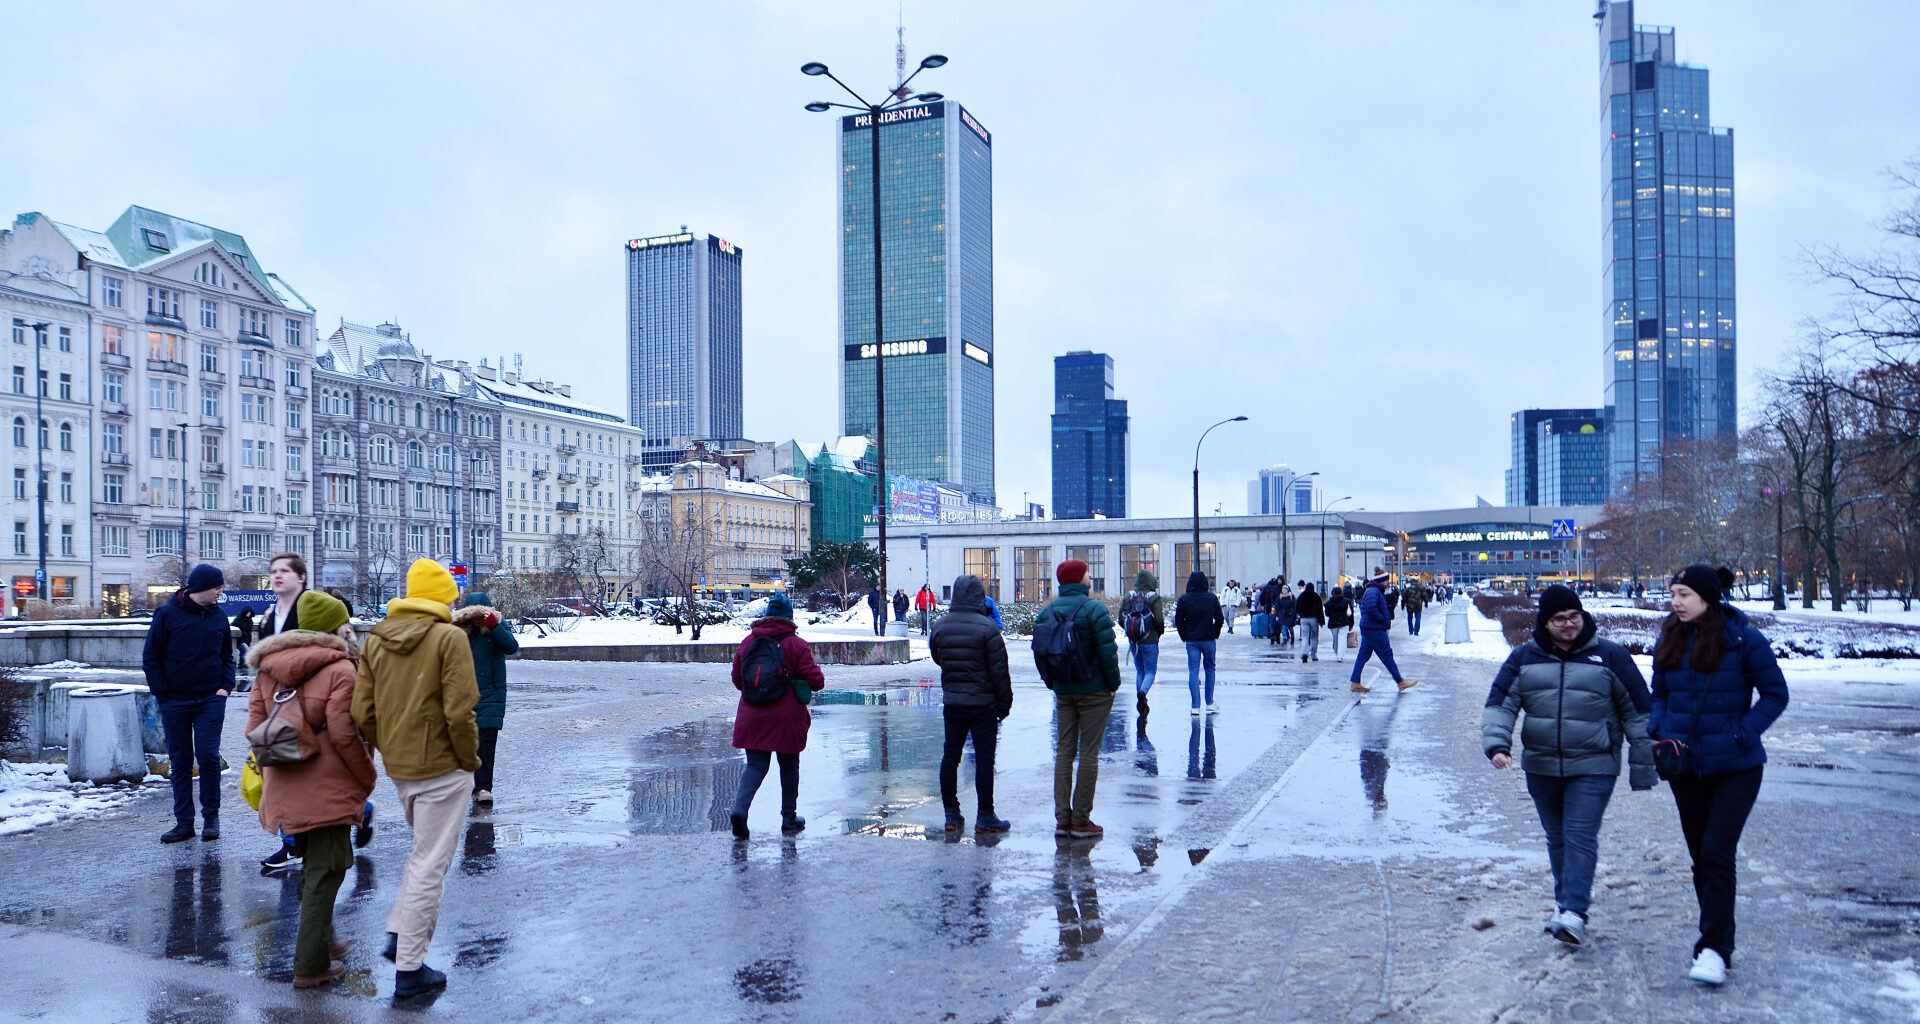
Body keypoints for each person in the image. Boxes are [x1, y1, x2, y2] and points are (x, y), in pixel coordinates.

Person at [1482, 585, 1655, 947]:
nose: (1568, 624)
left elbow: (1639, 711)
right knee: (1557, 838)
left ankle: (1574, 911)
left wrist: (1643, 764)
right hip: (1541, 766)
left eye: (1573, 616)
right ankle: (1565, 906)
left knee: (1579, 836)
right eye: (1558, 619)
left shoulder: (1609, 656)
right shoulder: (1524, 658)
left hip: (1594, 765)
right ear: (1544, 623)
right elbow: (1501, 704)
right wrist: (1498, 745)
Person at [1650, 565, 1789, 987]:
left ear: (1708, 598)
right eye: (1673, 592)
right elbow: (1660, 692)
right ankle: (1718, 940)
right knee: (1701, 858)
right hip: (1684, 766)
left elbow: (1775, 694)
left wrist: (1742, 732)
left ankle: (1713, 949)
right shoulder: (1670, 635)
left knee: (1716, 853)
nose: (1676, 601)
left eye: (1685, 594)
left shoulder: (1744, 638)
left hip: (1737, 767)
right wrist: (1659, 727)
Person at [353, 559, 481, 999]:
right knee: (432, 866)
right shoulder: (448, 637)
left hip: (402, 768)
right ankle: (409, 969)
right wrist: (469, 762)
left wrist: (390, 744)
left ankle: (399, 933)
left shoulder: (376, 639)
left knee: (422, 856)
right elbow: (461, 711)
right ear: (444, 597)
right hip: (444, 767)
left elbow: (362, 712)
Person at [244, 591, 372, 989]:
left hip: (284, 780)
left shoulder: (268, 669)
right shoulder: (341, 670)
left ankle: (327, 940)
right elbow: (346, 734)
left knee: (315, 864)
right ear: (333, 627)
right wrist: (366, 778)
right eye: (343, 621)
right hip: (329, 783)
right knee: (328, 868)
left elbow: (254, 728)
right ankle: (311, 964)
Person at [143, 564, 235, 844]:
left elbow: (227, 656)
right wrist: (163, 695)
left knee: (208, 755)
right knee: (180, 761)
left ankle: (211, 818)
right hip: (175, 701)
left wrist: (226, 686)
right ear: (201, 588)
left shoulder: (219, 617)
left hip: (211, 698)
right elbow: (151, 657)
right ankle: (184, 822)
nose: (221, 592)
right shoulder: (167, 614)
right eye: (217, 587)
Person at [728, 593, 827, 838]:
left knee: (756, 766)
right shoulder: (797, 644)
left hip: (752, 714)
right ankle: (788, 818)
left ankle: (740, 810)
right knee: (789, 765)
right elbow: (817, 682)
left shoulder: (748, 642)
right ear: (789, 618)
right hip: (787, 717)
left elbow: (737, 679)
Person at [1037, 559, 1121, 838]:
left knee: (1064, 752)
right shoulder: (1095, 609)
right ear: (1078, 578)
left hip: (1064, 691)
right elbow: (1108, 652)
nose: (1090, 575)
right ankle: (1081, 820)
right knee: (1089, 752)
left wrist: (1053, 683)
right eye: (1086, 572)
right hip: (1094, 690)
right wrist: (1112, 684)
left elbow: (1040, 653)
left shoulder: (1046, 613)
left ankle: (1063, 819)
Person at [929, 574, 1013, 834]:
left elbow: (937, 658)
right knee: (985, 761)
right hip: (983, 704)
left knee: (950, 758)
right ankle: (985, 816)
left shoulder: (940, 626)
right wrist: (1004, 705)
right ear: (979, 595)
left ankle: (951, 815)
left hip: (953, 703)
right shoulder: (988, 629)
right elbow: (1000, 672)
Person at [454, 591, 519, 808]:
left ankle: (483, 788)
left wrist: (494, 626)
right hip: (464, 697)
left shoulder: (498, 629)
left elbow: (512, 647)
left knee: (486, 745)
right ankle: (471, 785)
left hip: (491, 696)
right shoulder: (458, 632)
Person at [1350, 569, 1417, 694]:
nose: (1388, 583)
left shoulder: (1374, 591)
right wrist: (1381, 619)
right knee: (1386, 655)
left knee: (1364, 655)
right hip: (1375, 629)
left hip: (1370, 628)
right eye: (1387, 580)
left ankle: (1355, 681)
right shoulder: (1374, 591)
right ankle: (1400, 681)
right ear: (1382, 580)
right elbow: (1371, 608)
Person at [1173, 571, 1224, 715]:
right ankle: (1209, 703)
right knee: (1210, 669)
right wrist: (1215, 633)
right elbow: (1219, 619)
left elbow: (1178, 621)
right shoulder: (1211, 598)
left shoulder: (1184, 599)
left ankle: (1195, 705)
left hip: (1192, 640)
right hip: (1208, 638)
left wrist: (1185, 636)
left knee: (1193, 671)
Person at [1120, 570, 1165, 723]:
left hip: (1134, 641)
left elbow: (1121, 617)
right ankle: (1143, 693)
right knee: (1151, 671)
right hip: (1150, 640)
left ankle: (1141, 700)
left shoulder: (1129, 596)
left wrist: (1131, 632)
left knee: (1140, 670)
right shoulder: (1154, 598)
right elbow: (1159, 620)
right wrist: (1158, 633)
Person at [1296, 581, 1325, 663]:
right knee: (1314, 637)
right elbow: (1320, 610)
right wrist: (1321, 621)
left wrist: (1299, 615)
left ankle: (1304, 653)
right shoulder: (1316, 597)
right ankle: (1314, 655)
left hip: (1304, 619)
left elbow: (1297, 606)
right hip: (1314, 619)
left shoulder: (1302, 596)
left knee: (1305, 637)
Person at [1324, 586, 1353, 662]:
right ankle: (1340, 656)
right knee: (1342, 639)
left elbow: (1327, 614)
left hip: (1333, 623)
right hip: (1344, 622)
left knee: (1335, 639)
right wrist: (1351, 624)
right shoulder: (1346, 602)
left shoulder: (1329, 603)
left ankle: (1337, 652)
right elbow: (1350, 613)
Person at [232, 608, 256, 690]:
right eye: (247, 612)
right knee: (245, 651)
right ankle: (242, 666)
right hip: (239, 640)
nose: (248, 614)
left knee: (245, 652)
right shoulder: (239, 619)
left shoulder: (250, 621)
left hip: (245, 640)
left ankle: (243, 666)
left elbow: (249, 632)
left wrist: (249, 640)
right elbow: (233, 627)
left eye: (250, 613)